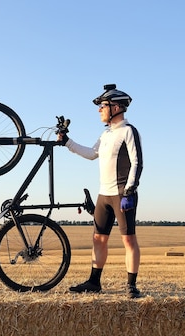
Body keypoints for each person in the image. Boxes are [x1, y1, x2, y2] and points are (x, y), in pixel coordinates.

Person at [58, 84, 143, 298]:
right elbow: (91, 153)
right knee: (98, 238)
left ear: (116, 107)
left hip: (122, 194)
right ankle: (94, 282)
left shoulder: (128, 131)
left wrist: (130, 190)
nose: (99, 110)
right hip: (103, 195)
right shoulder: (105, 135)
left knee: (128, 239)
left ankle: (131, 285)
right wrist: (68, 142)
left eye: (102, 106)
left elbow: (137, 162)